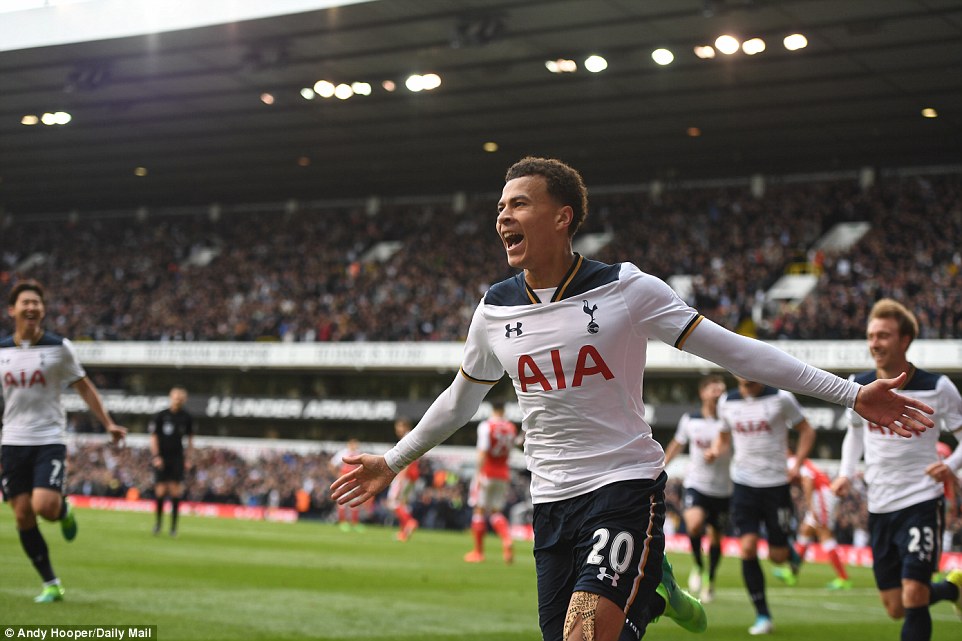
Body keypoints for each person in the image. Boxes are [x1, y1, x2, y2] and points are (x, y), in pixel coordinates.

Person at [331, 157, 934, 641]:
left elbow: (736, 352)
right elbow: (462, 399)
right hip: (551, 500)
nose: (502, 218)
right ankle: (655, 591)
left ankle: (647, 588)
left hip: (623, 484)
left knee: (585, 633)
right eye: (499, 207)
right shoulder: (495, 308)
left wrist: (851, 394)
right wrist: (393, 460)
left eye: (517, 204)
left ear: (562, 217)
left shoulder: (625, 289)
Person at [831, 299, 962, 639]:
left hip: (921, 500)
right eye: (871, 335)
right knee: (896, 607)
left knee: (914, 594)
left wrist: (950, 465)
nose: (875, 343)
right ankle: (952, 590)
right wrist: (845, 472)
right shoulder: (858, 387)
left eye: (884, 335)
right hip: (879, 505)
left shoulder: (937, 386)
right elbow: (854, 433)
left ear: (905, 340)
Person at [1, 280, 127, 603]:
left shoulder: (60, 347)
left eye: (37, 303)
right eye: (26, 302)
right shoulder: (2, 352)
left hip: (48, 439)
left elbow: (84, 387)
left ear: (42, 310)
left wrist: (109, 424)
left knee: (44, 507)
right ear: (12, 310)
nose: (32, 308)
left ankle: (64, 510)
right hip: (12, 441)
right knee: (22, 515)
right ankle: (51, 583)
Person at [710, 377, 814, 635]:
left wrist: (797, 464)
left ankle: (788, 551)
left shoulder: (781, 398)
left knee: (776, 557)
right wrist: (715, 450)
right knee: (747, 548)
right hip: (743, 484)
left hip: (776, 485)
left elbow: (807, 430)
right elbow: (723, 438)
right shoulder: (727, 401)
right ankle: (763, 615)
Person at [663, 373, 730, 603]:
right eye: (713, 387)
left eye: (720, 388)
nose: (717, 391)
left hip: (723, 488)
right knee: (694, 525)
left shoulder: (728, 419)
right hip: (696, 484)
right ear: (703, 392)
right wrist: (660, 467)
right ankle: (698, 566)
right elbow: (677, 445)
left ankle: (710, 578)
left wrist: (717, 452)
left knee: (716, 539)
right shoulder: (690, 419)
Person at [773, 453, 851, 590]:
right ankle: (792, 573)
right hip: (820, 494)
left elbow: (807, 480)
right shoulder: (796, 460)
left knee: (823, 533)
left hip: (821, 495)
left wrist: (810, 507)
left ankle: (843, 578)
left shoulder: (791, 461)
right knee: (805, 531)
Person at [464, 400, 519, 564]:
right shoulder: (511, 428)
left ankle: (478, 552)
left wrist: (478, 473)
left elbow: (482, 450)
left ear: (492, 409)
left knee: (479, 511)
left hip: (487, 472)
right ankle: (507, 539)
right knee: (495, 511)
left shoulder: (487, 426)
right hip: (503, 473)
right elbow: (509, 452)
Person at [148, 385, 194, 536]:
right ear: (171, 397)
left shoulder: (187, 417)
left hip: (177, 458)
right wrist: (156, 456)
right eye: (176, 396)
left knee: (175, 492)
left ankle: (173, 527)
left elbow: (190, 440)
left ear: (184, 399)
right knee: (160, 492)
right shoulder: (161, 416)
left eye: (181, 397)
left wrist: (189, 458)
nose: (178, 399)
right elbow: (154, 437)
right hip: (162, 457)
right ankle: (158, 524)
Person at [385, 417, 420, 541]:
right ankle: (404, 532)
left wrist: (400, 476)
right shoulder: (414, 437)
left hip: (406, 474)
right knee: (403, 503)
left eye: (399, 427)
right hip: (413, 475)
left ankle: (410, 522)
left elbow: (407, 459)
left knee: (393, 501)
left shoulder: (407, 438)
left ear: (405, 426)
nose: (397, 430)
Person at [330, 438, 364, 532]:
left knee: (355, 502)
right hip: (344, 480)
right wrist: (337, 475)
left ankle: (355, 523)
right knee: (342, 501)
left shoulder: (359, 453)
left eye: (356, 444)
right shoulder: (343, 453)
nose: (354, 446)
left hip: (355, 481)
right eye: (352, 444)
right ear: (349, 444)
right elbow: (332, 464)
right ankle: (342, 522)